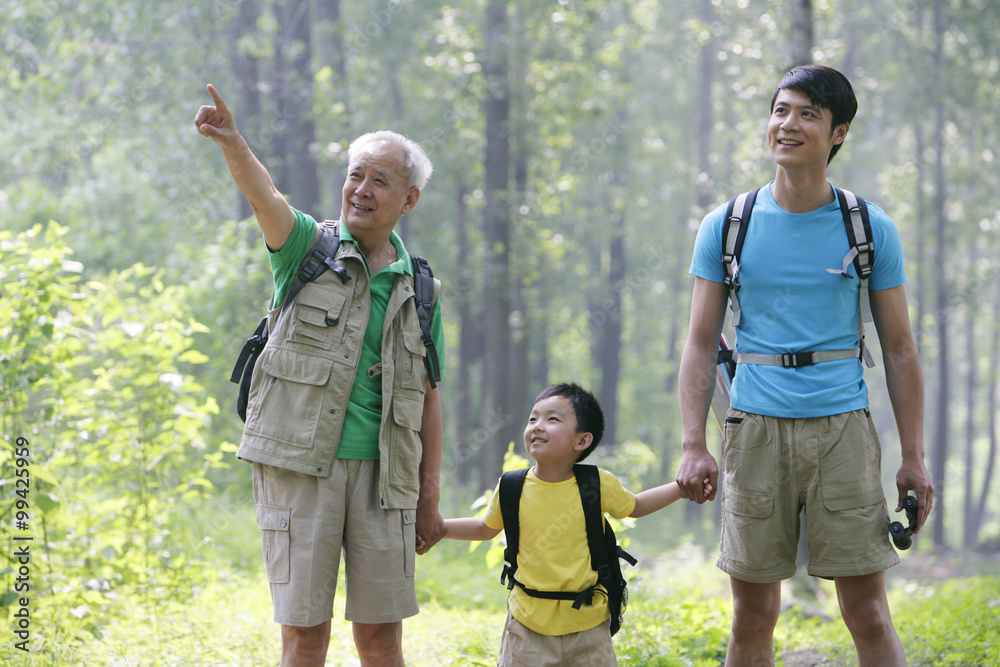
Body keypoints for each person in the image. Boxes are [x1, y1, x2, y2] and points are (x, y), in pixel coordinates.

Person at [675, 65, 935, 667]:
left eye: (807, 114)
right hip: (754, 431)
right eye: (781, 110)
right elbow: (698, 342)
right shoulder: (727, 226)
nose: (787, 125)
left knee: (868, 614)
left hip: (842, 432)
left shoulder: (868, 228)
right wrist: (694, 442)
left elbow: (900, 350)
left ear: (838, 132)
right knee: (751, 618)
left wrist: (914, 457)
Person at [194, 84, 446, 667]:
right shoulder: (304, 247)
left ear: (408, 200)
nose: (361, 190)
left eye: (379, 180)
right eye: (356, 174)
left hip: (387, 483)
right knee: (306, 637)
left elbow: (432, 398)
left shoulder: (423, 289)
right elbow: (264, 196)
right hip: (301, 471)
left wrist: (429, 497)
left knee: (382, 639)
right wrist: (234, 144)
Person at [443, 383, 711, 666]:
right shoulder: (512, 486)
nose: (537, 426)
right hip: (527, 626)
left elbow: (636, 506)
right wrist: (439, 528)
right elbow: (485, 528)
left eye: (552, 419)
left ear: (581, 441)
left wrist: (682, 488)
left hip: (588, 627)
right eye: (533, 418)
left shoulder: (596, 483)